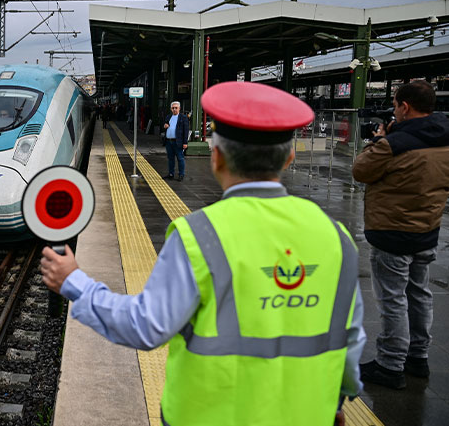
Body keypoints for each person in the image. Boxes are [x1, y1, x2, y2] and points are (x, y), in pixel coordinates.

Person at [40, 81, 365, 426]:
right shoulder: (336, 238)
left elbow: (146, 326)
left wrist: (74, 283)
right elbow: (351, 340)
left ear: (216, 155)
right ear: (290, 156)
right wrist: (337, 401)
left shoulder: (201, 236)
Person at [352, 80, 449, 389]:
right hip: (427, 229)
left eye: (395, 105)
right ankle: (417, 358)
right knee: (419, 294)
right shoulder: (445, 137)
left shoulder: (395, 143)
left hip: (393, 231)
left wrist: (380, 139)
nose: (393, 110)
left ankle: (390, 364)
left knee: (393, 299)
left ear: (405, 106)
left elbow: (361, 170)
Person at [163, 101, 190, 180]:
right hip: (169, 141)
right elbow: (164, 126)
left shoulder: (183, 117)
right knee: (170, 158)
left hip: (178, 142)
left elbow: (186, 130)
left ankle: (181, 174)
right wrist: (164, 126)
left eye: (176, 108)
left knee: (180, 158)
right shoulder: (168, 117)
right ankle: (171, 174)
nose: (174, 109)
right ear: (171, 109)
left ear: (179, 108)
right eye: (173, 108)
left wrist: (185, 142)